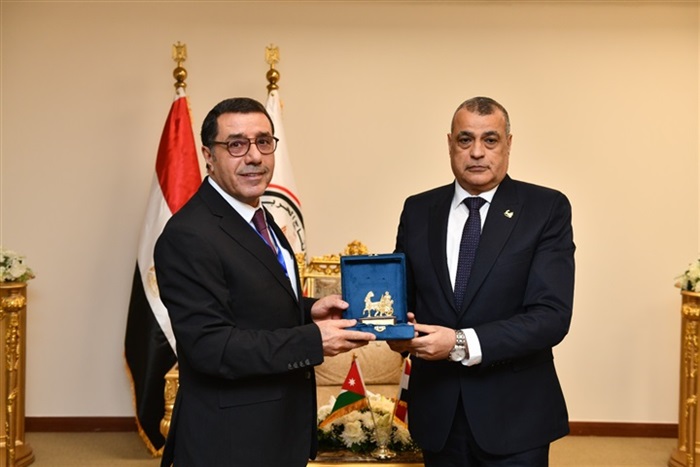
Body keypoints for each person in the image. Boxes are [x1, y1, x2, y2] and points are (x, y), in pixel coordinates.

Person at [154, 97, 376, 467]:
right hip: (230, 442)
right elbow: (211, 347)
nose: (254, 156)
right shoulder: (189, 235)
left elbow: (250, 301)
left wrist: (309, 310)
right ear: (208, 156)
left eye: (263, 142)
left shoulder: (258, 216)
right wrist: (313, 339)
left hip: (277, 431)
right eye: (236, 145)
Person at [389, 96, 575, 466]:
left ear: (508, 144)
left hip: (516, 417)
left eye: (490, 140)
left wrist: (458, 343)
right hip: (438, 413)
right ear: (450, 144)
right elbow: (403, 303)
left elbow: (551, 316)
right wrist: (395, 333)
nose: (477, 152)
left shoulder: (546, 208)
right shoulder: (418, 209)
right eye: (465, 139)